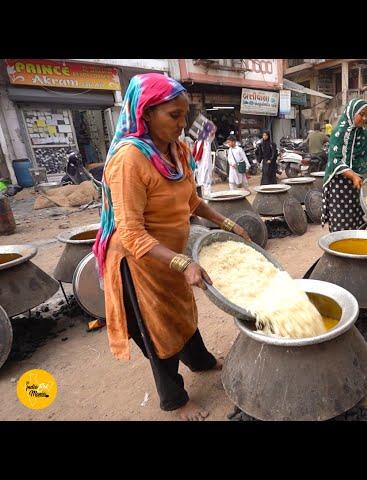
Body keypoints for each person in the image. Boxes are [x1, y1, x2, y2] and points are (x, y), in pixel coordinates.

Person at [93, 73, 251, 421]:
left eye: (184, 115)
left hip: (171, 255)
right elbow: (132, 234)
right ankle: (174, 400)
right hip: (140, 261)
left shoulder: (176, 150)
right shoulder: (129, 161)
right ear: (146, 113)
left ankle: (200, 360)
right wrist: (183, 263)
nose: (182, 125)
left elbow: (192, 201)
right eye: (173, 116)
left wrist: (229, 223)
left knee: (182, 311)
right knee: (157, 328)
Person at [321, 98, 367, 232]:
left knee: (358, 219)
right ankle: (340, 248)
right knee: (342, 221)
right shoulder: (339, 132)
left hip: (357, 184)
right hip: (340, 186)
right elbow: (335, 161)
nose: (365, 118)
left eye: (366, 115)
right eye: (361, 114)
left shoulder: (364, 133)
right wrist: (353, 176)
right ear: (352, 113)